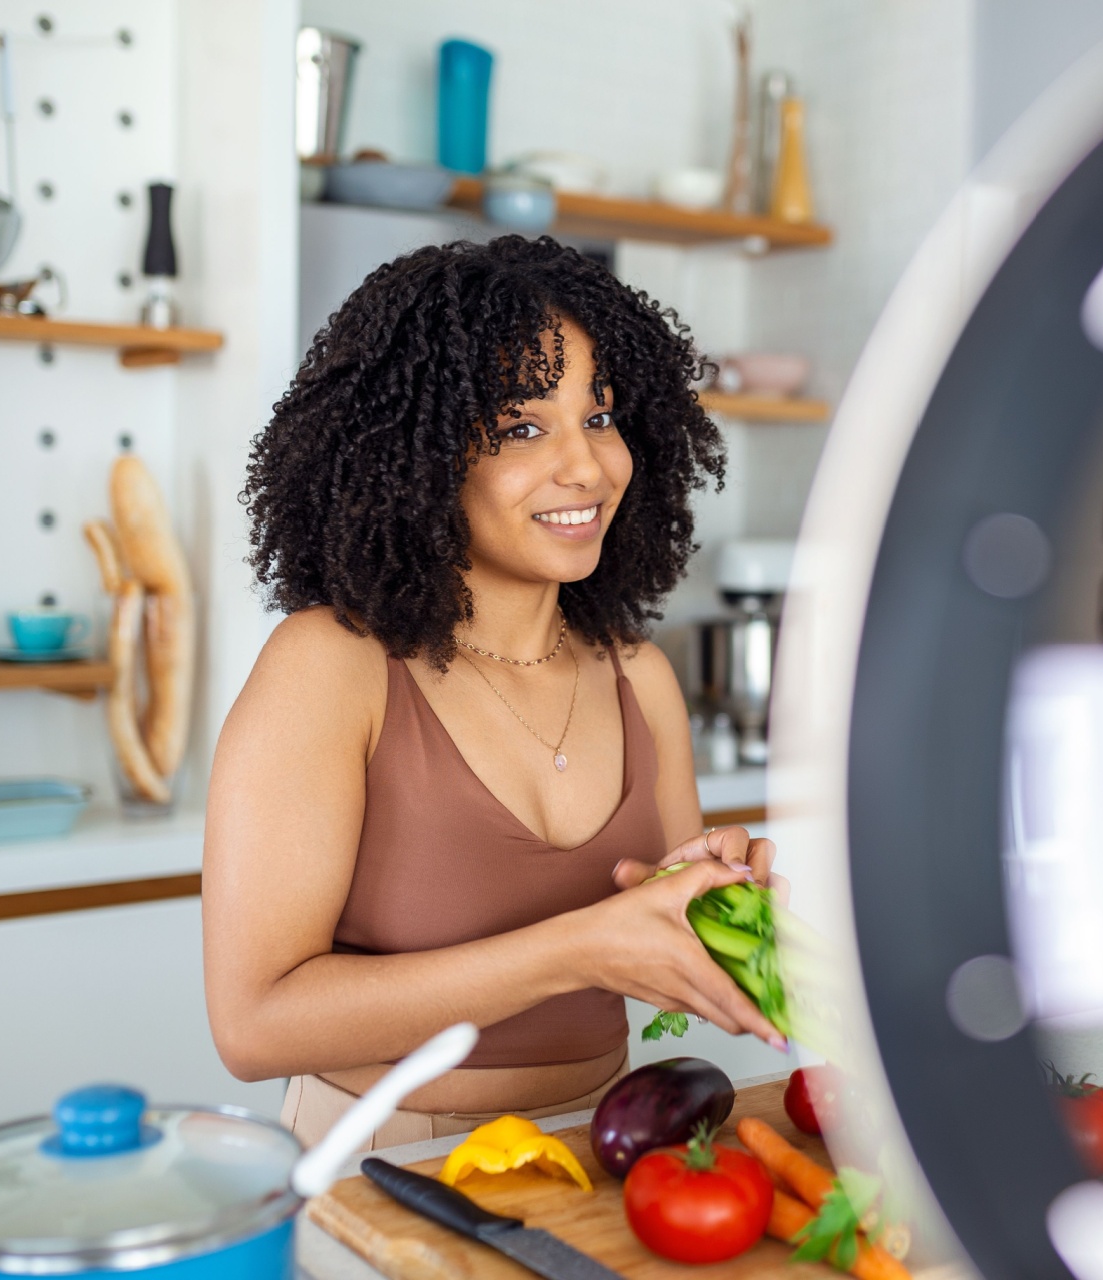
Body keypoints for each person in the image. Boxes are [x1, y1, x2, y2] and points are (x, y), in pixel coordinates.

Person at [204, 235, 783, 1151]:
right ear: (415, 457)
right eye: (522, 429)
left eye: (600, 417)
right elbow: (254, 1025)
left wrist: (719, 907)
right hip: (387, 1156)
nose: (587, 467)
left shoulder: (641, 675)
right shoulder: (333, 666)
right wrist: (578, 948)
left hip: (616, 1140)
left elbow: (664, 947)